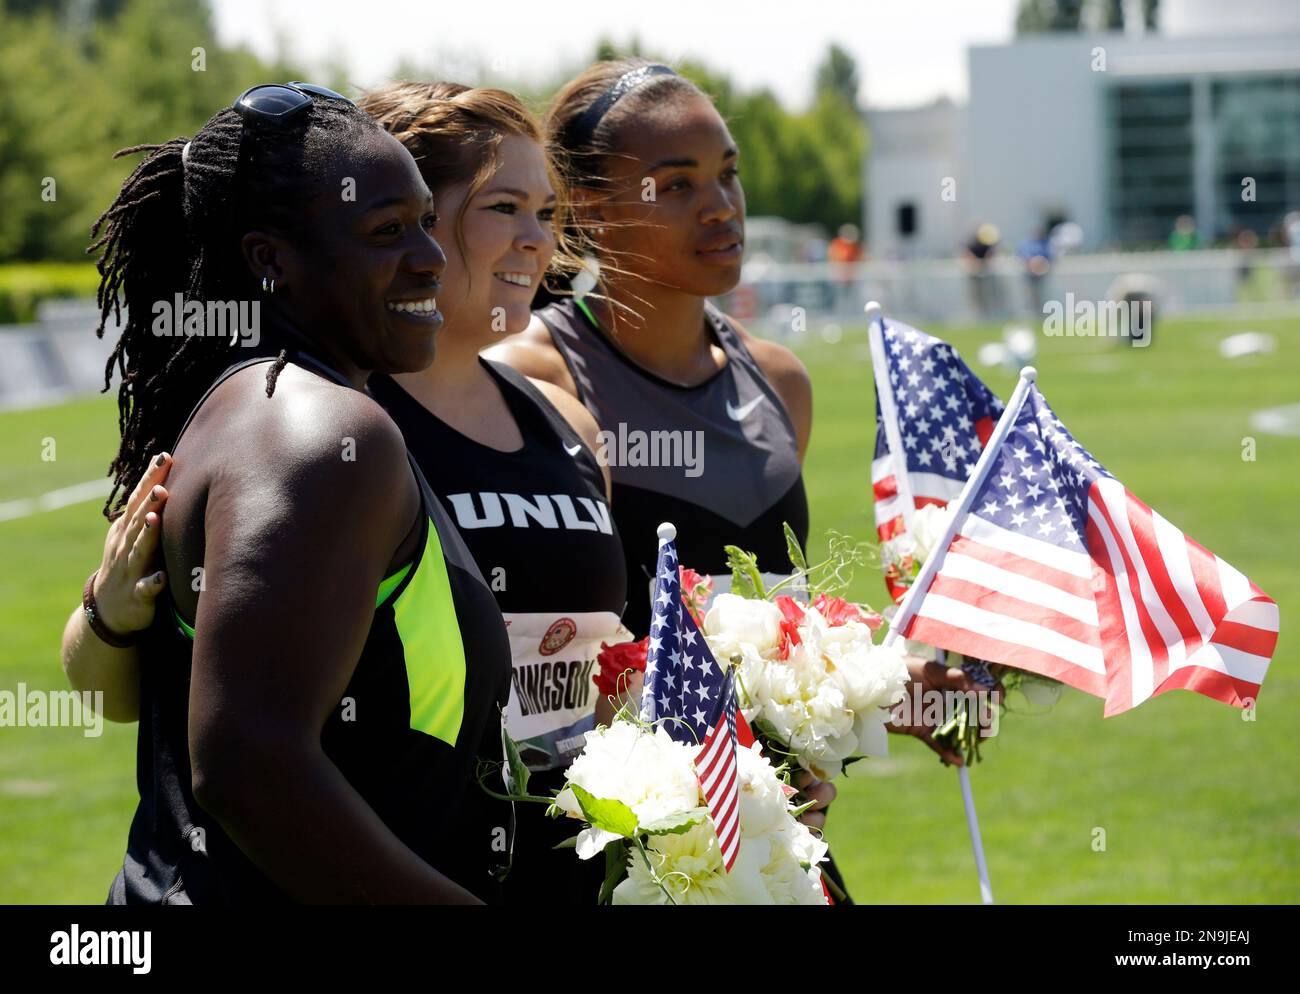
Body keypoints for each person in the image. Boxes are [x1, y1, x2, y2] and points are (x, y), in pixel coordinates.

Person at [64, 82, 511, 904]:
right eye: (386, 231)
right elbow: (245, 764)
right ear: (272, 261)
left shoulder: (255, 411)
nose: (430, 257)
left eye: (424, 220)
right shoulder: (316, 435)